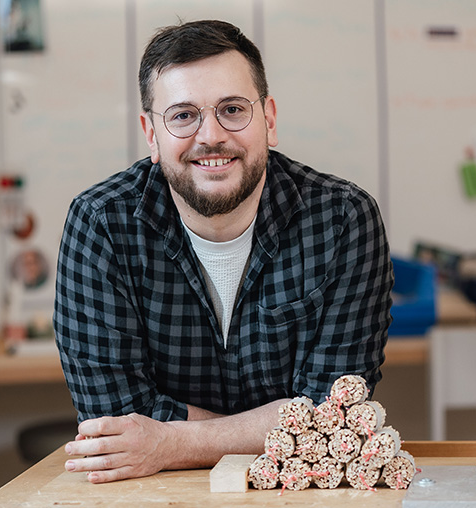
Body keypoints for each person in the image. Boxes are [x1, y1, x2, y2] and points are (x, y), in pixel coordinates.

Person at [54, 19, 393, 484]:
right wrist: (281, 429)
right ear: (151, 134)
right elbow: (115, 419)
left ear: (269, 119)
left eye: (233, 109)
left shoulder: (343, 221)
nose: (210, 136)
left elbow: (333, 416)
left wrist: (168, 441)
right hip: (152, 495)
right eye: (182, 115)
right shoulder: (101, 225)